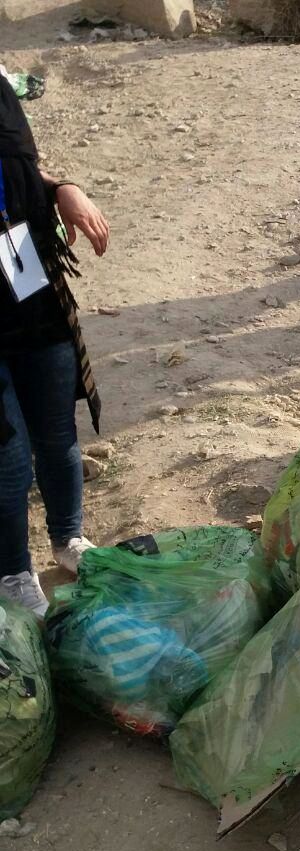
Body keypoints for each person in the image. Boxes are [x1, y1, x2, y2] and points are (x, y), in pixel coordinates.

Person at [1, 75, 110, 617]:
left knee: (57, 433)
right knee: (9, 458)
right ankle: (13, 573)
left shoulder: (0, 87)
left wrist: (62, 189)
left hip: (29, 284)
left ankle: (68, 540)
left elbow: (18, 171)